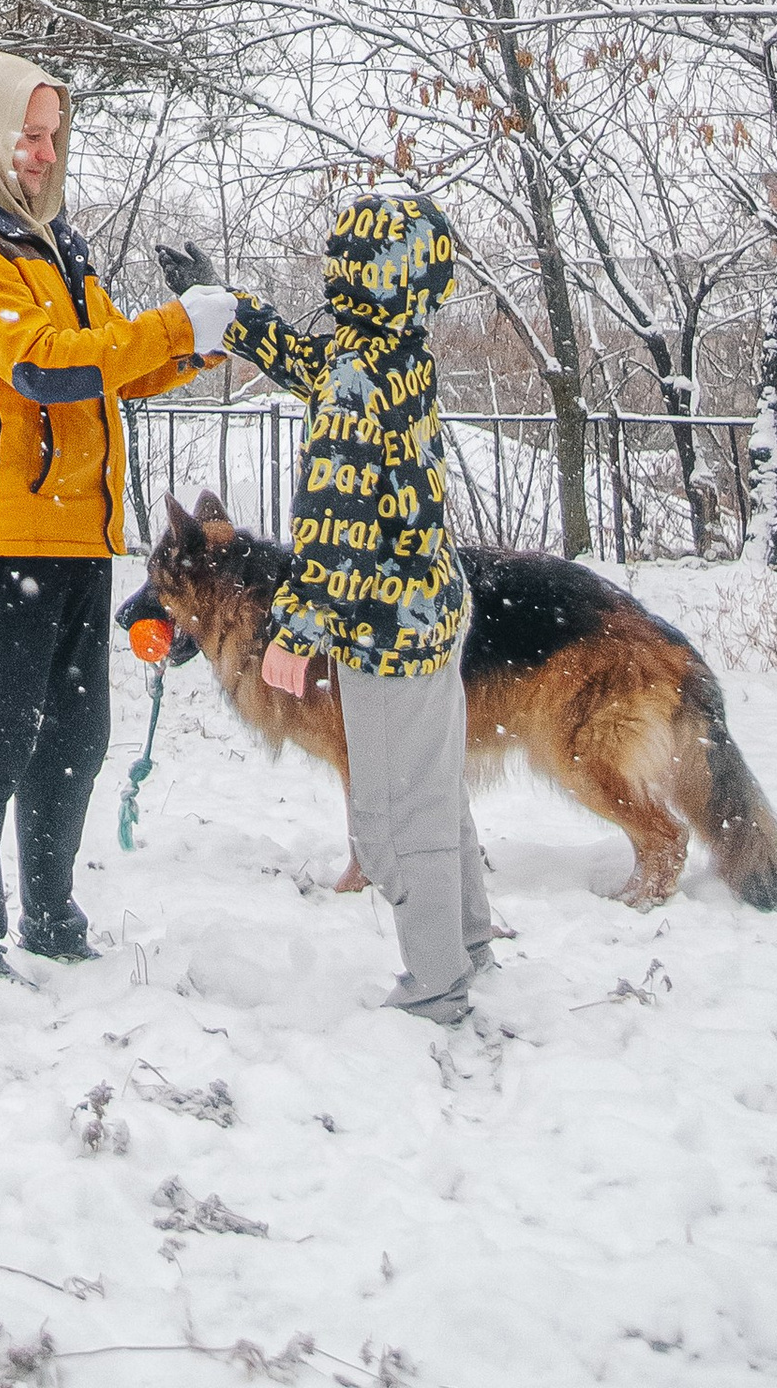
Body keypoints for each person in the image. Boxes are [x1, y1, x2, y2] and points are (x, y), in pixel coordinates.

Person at [0, 51, 228, 981]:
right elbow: (45, 364)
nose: (42, 154)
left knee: (75, 738)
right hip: (10, 535)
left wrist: (198, 336)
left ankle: (51, 914)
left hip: (83, 531)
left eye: (51, 137)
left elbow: (115, 368)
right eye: (25, 137)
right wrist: (172, 326)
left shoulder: (54, 248)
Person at [214, 193, 494, 1026]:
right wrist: (232, 311)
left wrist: (293, 634)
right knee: (435, 792)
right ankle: (467, 943)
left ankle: (436, 987)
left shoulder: (355, 387)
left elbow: (333, 525)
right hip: (433, 607)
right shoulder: (396, 353)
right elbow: (315, 362)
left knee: (391, 820)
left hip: (384, 631)